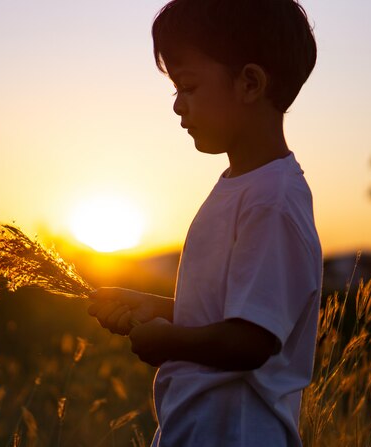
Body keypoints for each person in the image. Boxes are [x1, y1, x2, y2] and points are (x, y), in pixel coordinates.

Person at [88, 0, 321, 445]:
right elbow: (232, 315)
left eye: (188, 86)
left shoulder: (272, 200)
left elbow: (252, 340)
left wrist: (168, 342)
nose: (178, 106)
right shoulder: (240, 186)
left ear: (250, 83)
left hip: (238, 434)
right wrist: (156, 309)